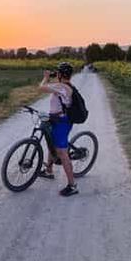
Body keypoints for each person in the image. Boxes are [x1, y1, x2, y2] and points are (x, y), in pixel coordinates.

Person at [37, 62, 79, 196]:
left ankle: (72, 186)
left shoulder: (62, 87)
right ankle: (49, 171)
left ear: (60, 74)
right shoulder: (63, 86)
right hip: (55, 118)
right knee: (51, 141)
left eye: (58, 73)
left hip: (62, 122)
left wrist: (46, 77)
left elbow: (41, 88)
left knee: (62, 152)